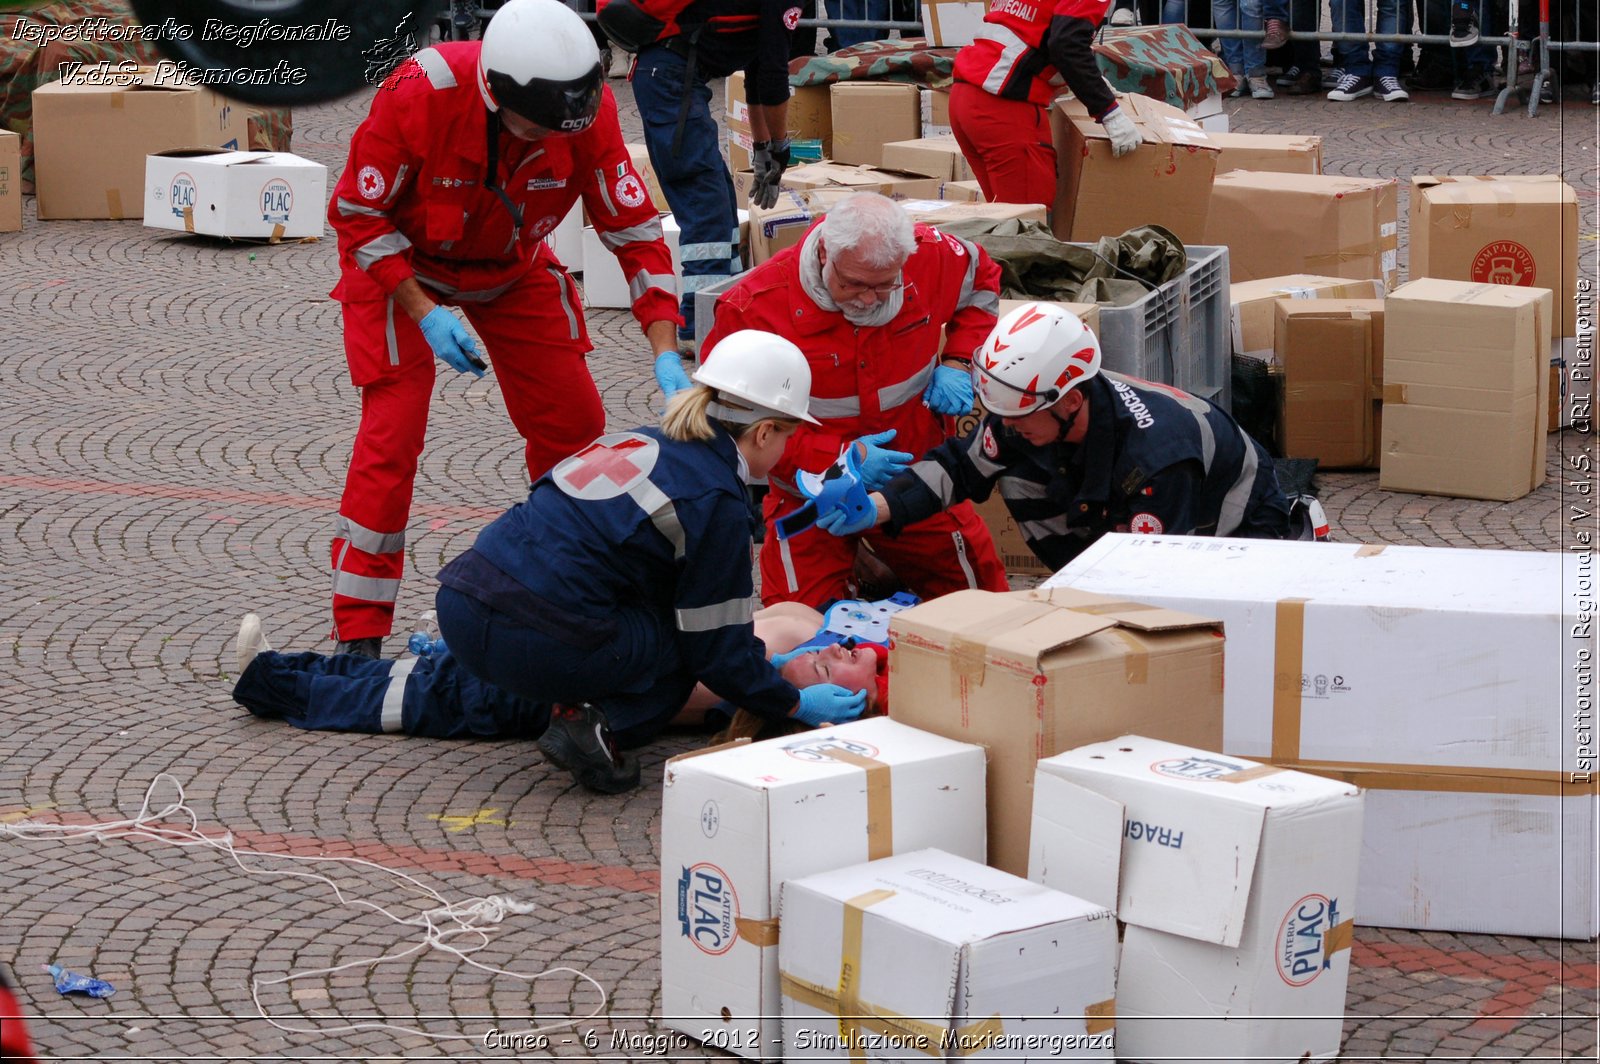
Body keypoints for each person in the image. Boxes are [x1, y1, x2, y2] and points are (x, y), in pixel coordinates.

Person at [326, 0, 682, 659]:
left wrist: (666, 349)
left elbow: (634, 237)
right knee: (392, 434)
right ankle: (361, 631)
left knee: (575, 424)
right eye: (535, 127)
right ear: (495, 94)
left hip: (512, 268)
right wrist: (426, 312)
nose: (550, 142)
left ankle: (561, 585)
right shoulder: (418, 93)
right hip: (400, 265)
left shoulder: (587, 111)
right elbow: (357, 216)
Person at [428, 330, 877, 793]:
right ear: (764, 432)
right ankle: (599, 730)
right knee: (689, 647)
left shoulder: (647, 441)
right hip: (532, 638)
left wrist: (759, 661)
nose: (785, 449)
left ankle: (578, 707)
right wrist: (792, 704)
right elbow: (715, 651)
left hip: (463, 603)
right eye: (788, 435)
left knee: (666, 624)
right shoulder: (715, 499)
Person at [701, 193, 1011, 609]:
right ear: (826, 252)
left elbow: (982, 282)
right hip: (811, 495)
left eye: (885, 285)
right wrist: (839, 459)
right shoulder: (754, 309)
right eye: (853, 284)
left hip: (916, 479)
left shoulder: (931, 253)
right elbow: (737, 431)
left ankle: (874, 568)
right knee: (796, 625)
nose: (868, 300)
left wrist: (958, 360)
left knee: (985, 607)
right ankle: (867, 568)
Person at [816, 303, 1296, 570]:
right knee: (1016, 473)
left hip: (1235, 534)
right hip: (1133, 510)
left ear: (1070, 401)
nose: (1005, 426)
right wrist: (875, 508)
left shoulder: (1158, 459)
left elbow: (1161, 581)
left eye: (1018, 415)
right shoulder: (1032, 411)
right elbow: (957, 467)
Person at [229, 603, 886, 743]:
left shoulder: (746, 692)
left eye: (860, 668)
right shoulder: (793, 636)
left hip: (535, 693)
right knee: (403, 679)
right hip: (552, 658)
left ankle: (267, 682)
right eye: (853, 645)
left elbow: (688, 678)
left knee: (400, 697)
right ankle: (277, 670)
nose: (849, 649)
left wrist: (776, 683)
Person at [601, 0, 800, 361]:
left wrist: (761, 147)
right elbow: (772, 77)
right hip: (669, 81)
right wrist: (780, 146)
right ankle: (698, 325)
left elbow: (757, 72)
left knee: (721, 201)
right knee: (705, 206)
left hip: (670, 77)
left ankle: (730, 312)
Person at [946, 0, 1140, 207]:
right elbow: (1066, 44)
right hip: (1003, 106)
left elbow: (1035, 32)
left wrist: (1089, 82)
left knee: (1003, 221)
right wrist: (1109, 112)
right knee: (1027, 226)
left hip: (969, 94)